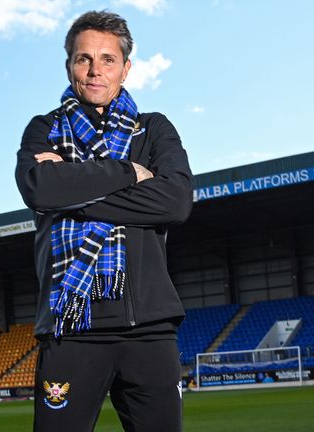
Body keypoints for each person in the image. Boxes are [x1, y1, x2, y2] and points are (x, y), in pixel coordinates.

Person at [15, 10, 193, 432]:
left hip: (148, 328)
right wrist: (128, 173)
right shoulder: (45, 129)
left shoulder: (152, 130)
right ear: (69, 66)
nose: (95, 71)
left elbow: (175, 201)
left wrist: (69, 194)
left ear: (126, 68)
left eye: (108, 60)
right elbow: (39, 190)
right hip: (71, 326)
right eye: (84, 59)